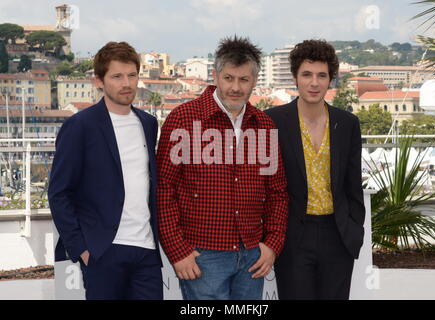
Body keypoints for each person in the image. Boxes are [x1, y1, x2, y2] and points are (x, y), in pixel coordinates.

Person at [157, 36, 288, 300]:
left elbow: (278, 192)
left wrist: (272, 244)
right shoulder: (183, 118)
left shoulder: (265, 125)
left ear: (255, 80)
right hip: (202, 255)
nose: (236, 87)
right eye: (229, 78)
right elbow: (163, 189)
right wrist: (177, 250)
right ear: (215, 76)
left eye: (244, 80)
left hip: (253, 255)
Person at [48, 41, 163, 300]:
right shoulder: (80, 126)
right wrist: (82, 248)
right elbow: (59, 193)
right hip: (102, 250)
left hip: (145, 250)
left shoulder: (148, 123)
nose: (126, 83)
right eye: (117, 76)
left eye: (132, 75)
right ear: (99, 81)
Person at [265, 39, 365, 300]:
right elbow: (263, 184)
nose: (314, 83)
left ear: (331, 79)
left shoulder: (347, 124)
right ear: (295, 78)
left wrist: (354, 229)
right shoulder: (273, 121)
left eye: (322, 75)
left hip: (338, 235)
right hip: (293, 236)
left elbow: (353, 186)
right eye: (307, 74)